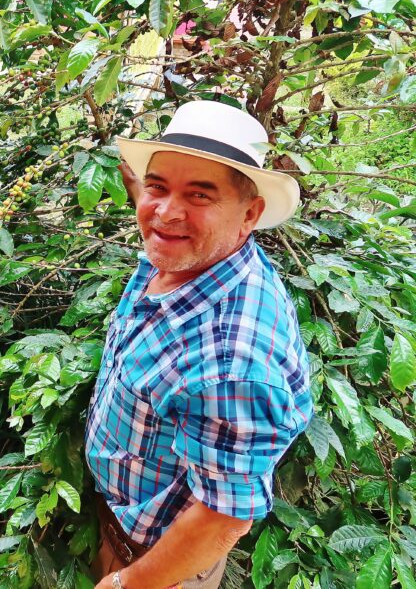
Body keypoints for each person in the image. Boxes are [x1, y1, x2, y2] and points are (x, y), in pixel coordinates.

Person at [86, 101, 313, 589]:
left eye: (200, 194)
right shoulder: (185, 253)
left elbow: (224, 517)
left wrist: (126, 583)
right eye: (158, 186)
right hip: (123, 520)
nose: (166, 212)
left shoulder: (231, 361)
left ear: (250, 213)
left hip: (160, 562)